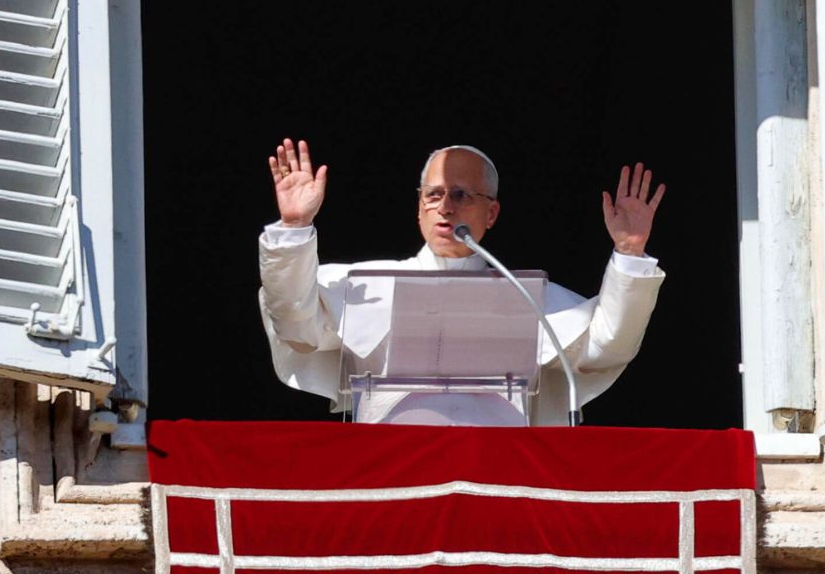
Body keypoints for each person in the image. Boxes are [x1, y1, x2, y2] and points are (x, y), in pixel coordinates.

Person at [258, 138, 666, 426]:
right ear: (418, 208)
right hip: (391, 471)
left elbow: (606, 347)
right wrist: (294, 228)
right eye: (432, 195)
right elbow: (298, 328)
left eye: (461, 195)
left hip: (497, 478)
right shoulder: (362, 284)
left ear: (492, 214)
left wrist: (629, 255)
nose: (445, 208)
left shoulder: (525, 295)